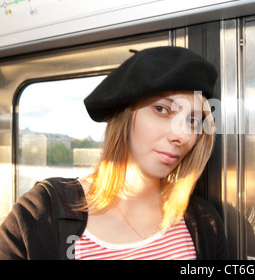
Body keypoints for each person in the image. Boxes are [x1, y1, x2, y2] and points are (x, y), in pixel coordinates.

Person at [0, 46, 229, 260]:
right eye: (162, 109)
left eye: (192, 121)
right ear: (124, 117)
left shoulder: (203, 223)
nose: (182, 135)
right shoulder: (41, 212)